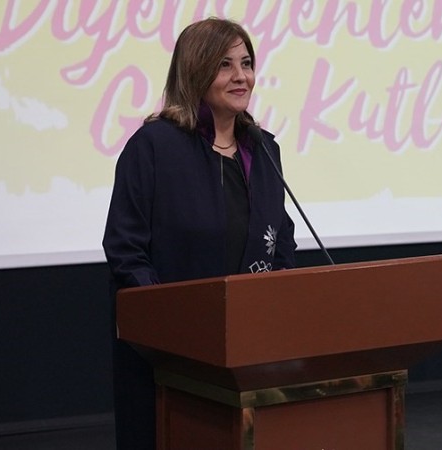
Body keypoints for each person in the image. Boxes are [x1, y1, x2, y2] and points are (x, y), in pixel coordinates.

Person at [102, 17, 298, 449]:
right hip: (170, 357)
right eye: (225, 65)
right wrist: (170, 323)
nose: (241, 76)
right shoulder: (155, 145)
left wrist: (278, 301)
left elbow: (281, 241)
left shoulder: (264, 148)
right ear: (195, 70)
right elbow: (125, 249)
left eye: (246, 63)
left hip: (249, 350)